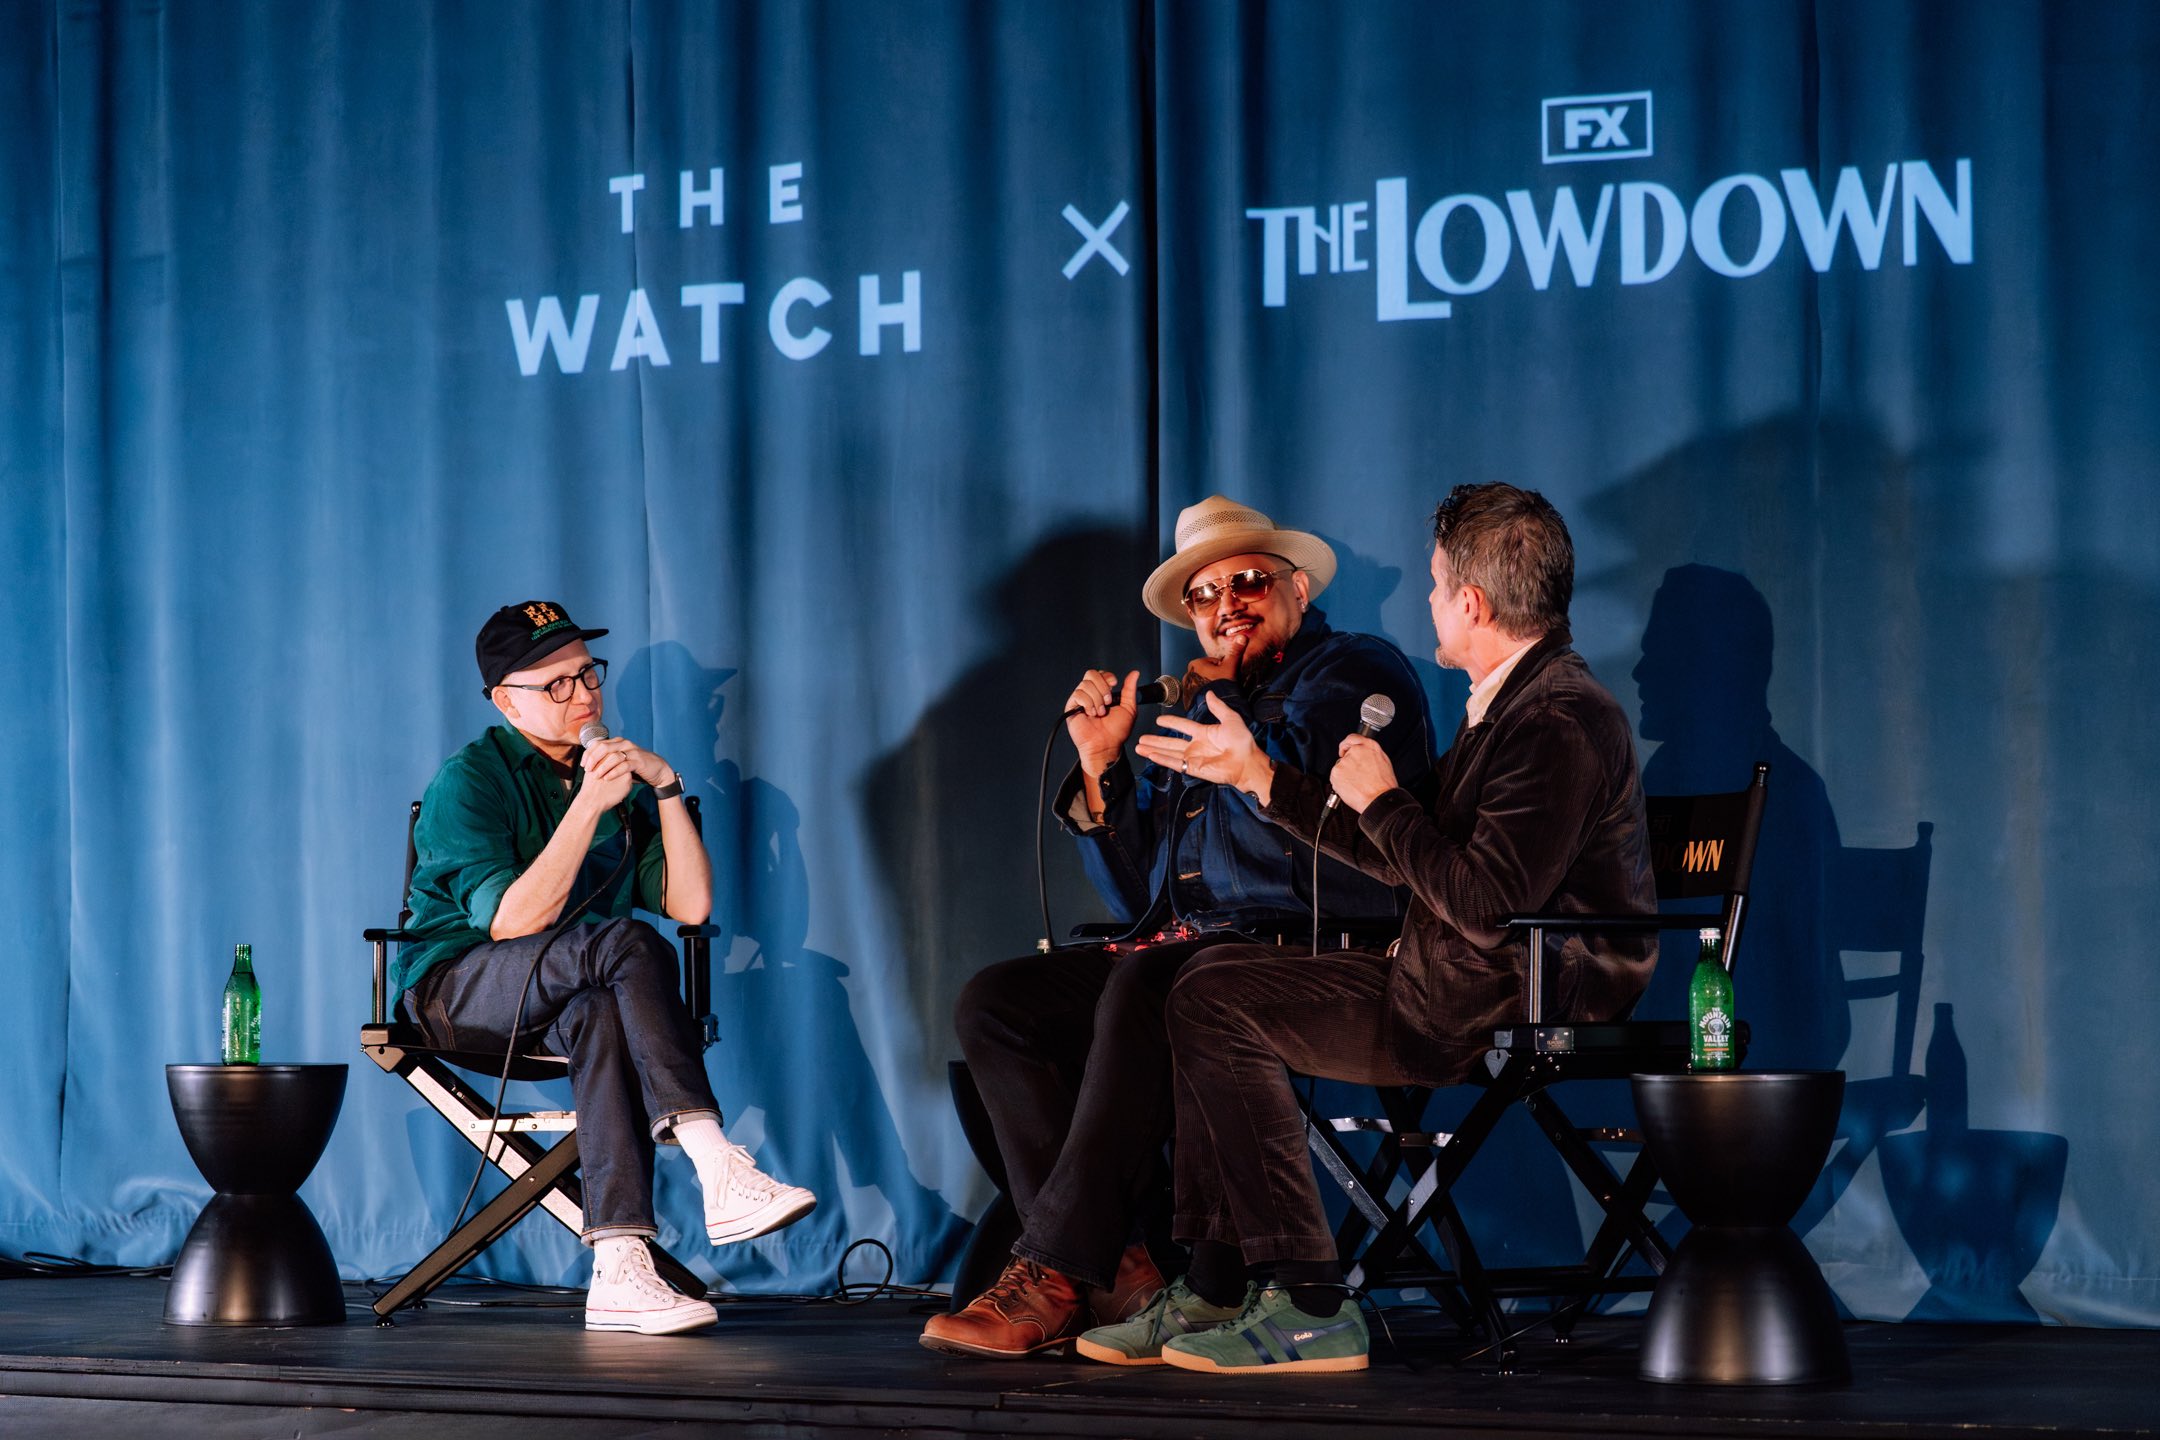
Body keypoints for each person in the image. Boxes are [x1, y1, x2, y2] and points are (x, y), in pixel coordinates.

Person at [1086, 482, 1655, 1373]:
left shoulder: (1559, 718)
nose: (1428, 601)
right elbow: (1406, 854)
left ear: (1471, 601)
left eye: (1435, 585)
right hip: (1449, 975)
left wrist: (1387, 802)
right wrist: (1260, 780)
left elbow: (1482, 902)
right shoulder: (1508, 706)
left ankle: (1310, 1304)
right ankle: (1213, 1283)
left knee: (1212, 998)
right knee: (1204, 986)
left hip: (1510, 990)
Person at [922, 497, 1434, 1359]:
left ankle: (1049, 1273)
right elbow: (1143, 893)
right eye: (1204, 596)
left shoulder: (1352, 672)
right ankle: (1121, 1267)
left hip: (1305, 952)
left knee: (1156, 981)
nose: (1227, 604)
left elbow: (1335, 821)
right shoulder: (1201, 711)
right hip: (1191, 947)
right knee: (998, 1001)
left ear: (1298, 589)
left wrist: (1241, 736)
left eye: (1248, 582)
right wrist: (1103, 767)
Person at [397, 601, 816, 1335]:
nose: (584, 693)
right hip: (458, 985)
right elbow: (512, 924)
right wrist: (588, 805)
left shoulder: (619, 783)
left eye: (587, 673)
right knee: (619, 943)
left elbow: (689, 904)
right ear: (505, 700)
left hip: (574, 990)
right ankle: (715, 1159)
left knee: (603, 1008)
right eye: (556, 684)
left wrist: (664, 788)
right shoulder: (471, 779)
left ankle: (620, 1265)